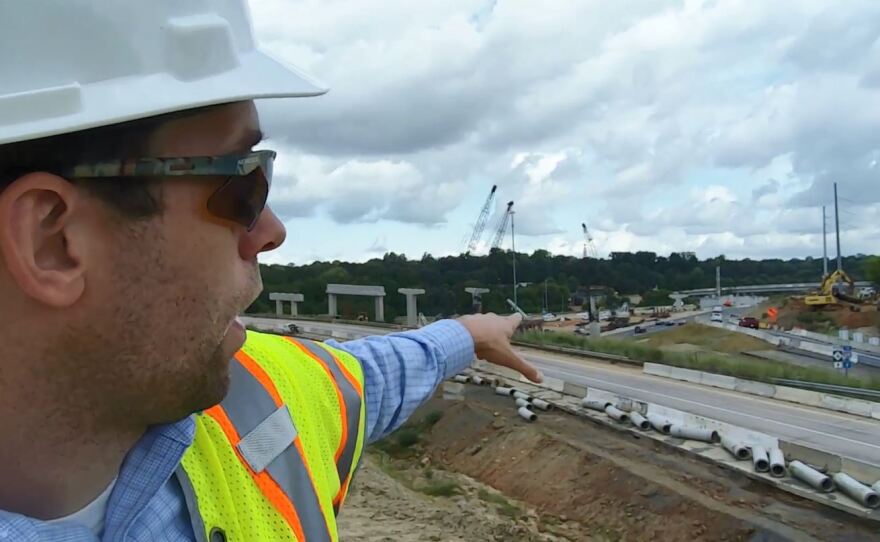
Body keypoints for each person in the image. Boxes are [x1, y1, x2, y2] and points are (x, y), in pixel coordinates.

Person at [0, 1, 541, 541]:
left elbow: (371, 377)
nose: (272, 231)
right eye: (243, 182)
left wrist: (468, 335)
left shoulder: (257, 389)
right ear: (54, 240)